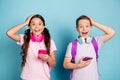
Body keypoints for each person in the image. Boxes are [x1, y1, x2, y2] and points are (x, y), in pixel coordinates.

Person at [63, 15, 115, 80]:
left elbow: (112, 32)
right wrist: (78, 65)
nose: (84, 29)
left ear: (91, 27)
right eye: (81, 26)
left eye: (87, 26)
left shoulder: (96, 42)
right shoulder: (72, 45)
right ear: (77, 29)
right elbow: (65, 64)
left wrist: (94, 23)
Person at [6, 14, 57, 80]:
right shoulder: (25, 38)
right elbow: (9, 33)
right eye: (33, 24)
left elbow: (53, 63)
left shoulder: (49, 40)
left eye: (39, 24)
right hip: (27, 77)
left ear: (43, 26)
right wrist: (25, 23)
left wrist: (48, 59)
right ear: (29, 26)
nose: (36, 27)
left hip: (44, 77)